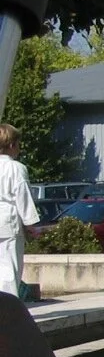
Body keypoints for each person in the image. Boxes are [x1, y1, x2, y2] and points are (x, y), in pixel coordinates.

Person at [0, 123, 40, 299]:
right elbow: (22, 195)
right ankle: (8, 311)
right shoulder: (15, 168)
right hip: (8, 221)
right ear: (11, 145)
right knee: (9, 268)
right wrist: (30, 223)